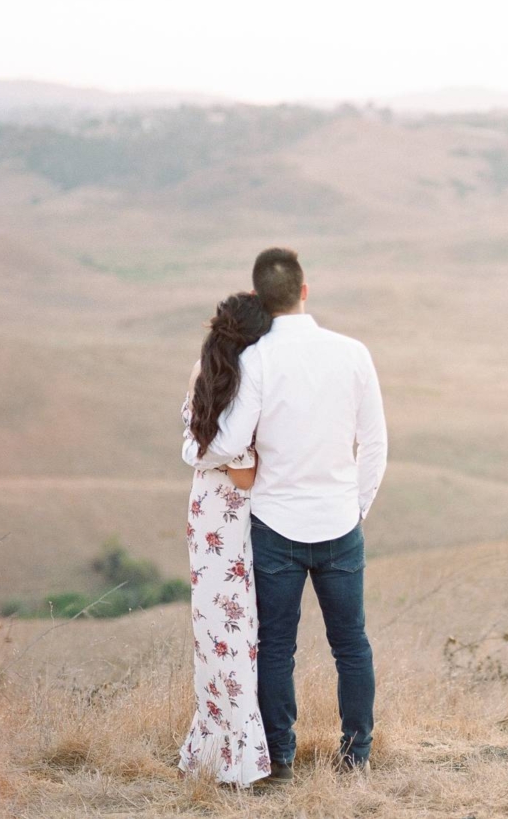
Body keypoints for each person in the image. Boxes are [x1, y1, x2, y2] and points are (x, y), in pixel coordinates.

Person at [182, 247, 388, 782]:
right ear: (304, 290)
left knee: (276, 648)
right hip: (341, 522)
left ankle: (279, 758)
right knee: (351, 644)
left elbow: (227, 444)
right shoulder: (353, 352)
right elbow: (375, 443)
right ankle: (356, 756)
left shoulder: (257, 360)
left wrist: (201, 448)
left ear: (260, 298)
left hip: (274, 527)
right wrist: (356, 506)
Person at [178, 292, 273, 787]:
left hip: (202, 512)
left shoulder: (205, 370)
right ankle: (242, 753)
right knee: (236, 628)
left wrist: (213, 455)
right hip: (233, 520)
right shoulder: (248, 382)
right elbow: (242, 478)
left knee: (211, 630)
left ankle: (212, 745)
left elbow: (194, 446)